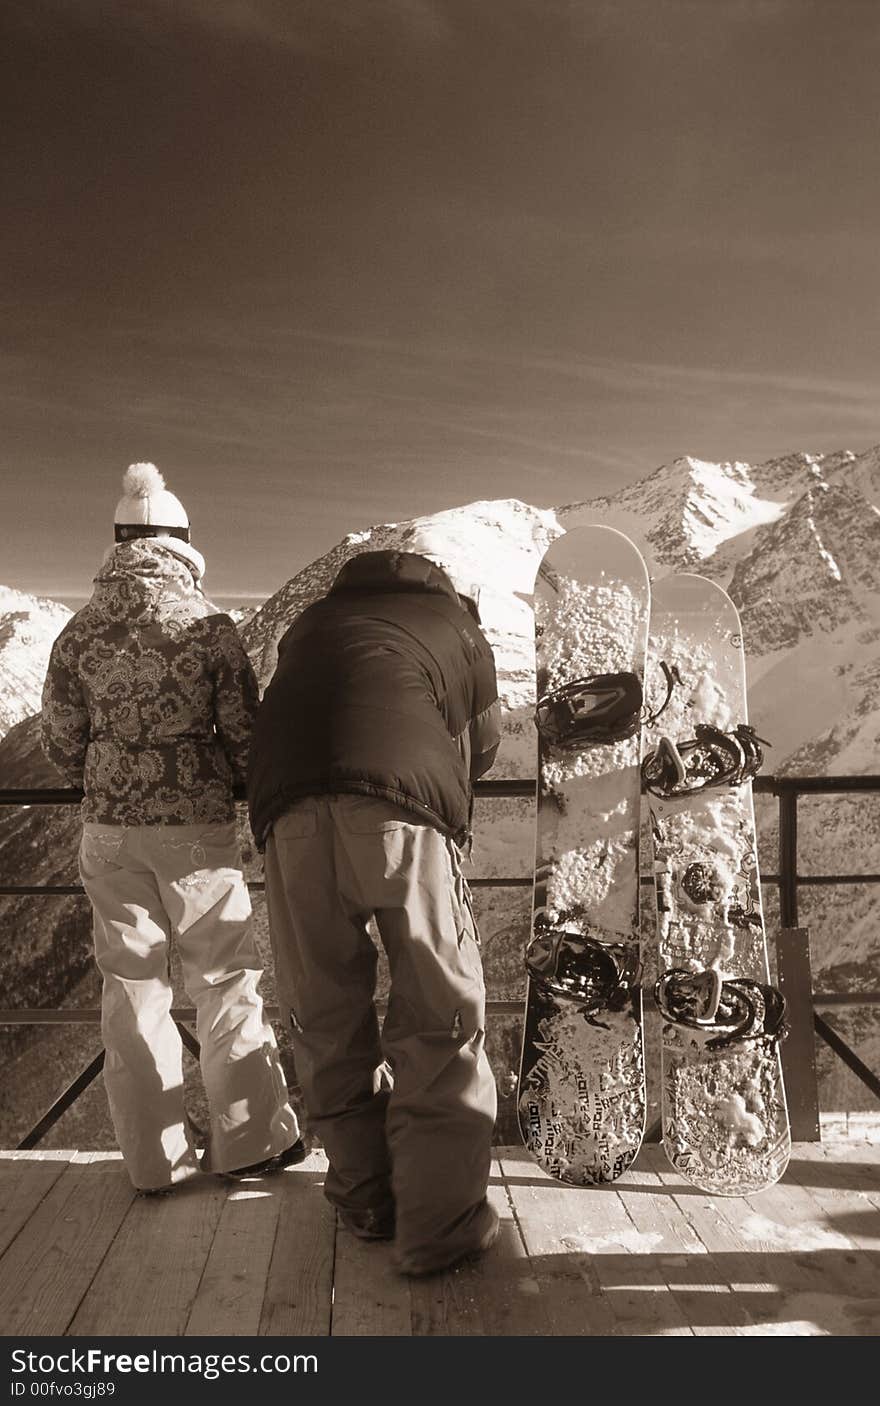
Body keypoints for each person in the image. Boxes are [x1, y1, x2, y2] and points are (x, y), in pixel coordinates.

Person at [40, 463, 304, 1194]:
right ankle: (250, 1142)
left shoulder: (77, 634)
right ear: (185, 541)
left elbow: (65, 743)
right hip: (194, 829)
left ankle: (153, 1162)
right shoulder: (209, 628)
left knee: (131, 987)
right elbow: (243, 737)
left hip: (109, 834)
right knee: (222, 979)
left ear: (117, 542)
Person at [247, 544, 502, 1276]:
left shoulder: (311, 623)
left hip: (287, 820)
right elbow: (482, 747)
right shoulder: (459, 627)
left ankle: (365, 1199)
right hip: (401, 819)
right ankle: (440, 1229)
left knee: (324, 1013)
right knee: (438, 1017)